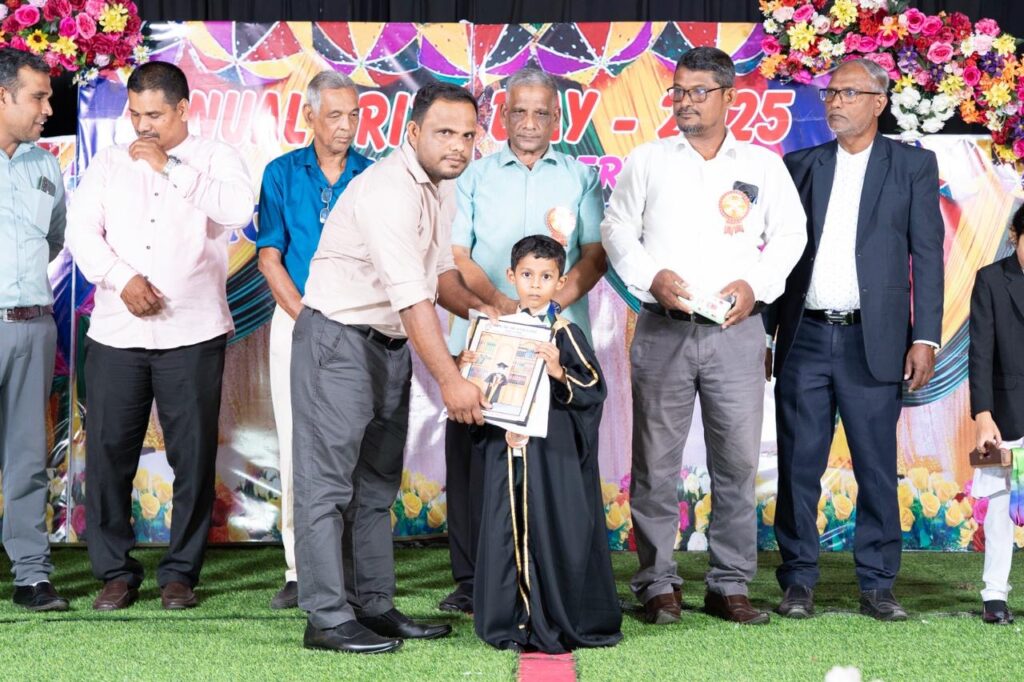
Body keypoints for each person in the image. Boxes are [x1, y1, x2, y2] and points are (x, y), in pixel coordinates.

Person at [601, 46, 806, 625]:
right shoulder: (647, 160)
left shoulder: (762, 165)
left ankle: (729, 583)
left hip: (736, 333)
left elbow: (791, 235)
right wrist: (651, 277)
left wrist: (756, 286)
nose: (685, 102)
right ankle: (657, 583)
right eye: (678, 91)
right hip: (663, 328)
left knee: (737, 463)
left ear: (729, 97)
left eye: (698, 92)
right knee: (655, 463)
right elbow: (616, 228)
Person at [293, 80, 499, 654]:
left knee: (376, 487)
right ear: (413, 132)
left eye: (468, 135)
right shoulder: (389, 189)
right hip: (338, 343)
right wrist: (450, 379)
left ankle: (373, 606)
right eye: (444, 132)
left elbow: (439, 277)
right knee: (327, 489)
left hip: (388, 347)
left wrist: (492, 314)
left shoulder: (442, 186)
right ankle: (326, 618)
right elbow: (411, 297)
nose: (458, 145)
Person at [66, 61, 254, 611]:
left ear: (183, 109)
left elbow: (238, 209)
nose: (142, 126)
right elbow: (81, 231)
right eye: (134, 114)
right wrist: (121, 278)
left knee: (191, 458)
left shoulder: (215, 158)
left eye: (154, 115)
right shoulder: (107, 163)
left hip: (192, 332)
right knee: (108, 455)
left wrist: (170, 167)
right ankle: (114, 572)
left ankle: (180, 573)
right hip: (117, 332)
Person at [766, 58, 944, 621]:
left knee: (874, 466)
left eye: (848, 93)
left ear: (878, 102)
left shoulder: (912, 165)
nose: (835, 102)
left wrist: (926, 337)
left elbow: (928, 255)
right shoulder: (800, 165)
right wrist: (768, 333)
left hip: (876, 339)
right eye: (830, 92)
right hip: (805, 337)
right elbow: (778, 253)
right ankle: (798, 579)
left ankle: (877, 583)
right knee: (799, 465)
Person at [440, 66, 606, 615]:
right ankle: (473, 580)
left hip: (552, 345)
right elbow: (458, 254)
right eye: (518, 111)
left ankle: (555, 572)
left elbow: (593, 254)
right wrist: (503, 305)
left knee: (555, 458)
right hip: (486, 336)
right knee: (475, 459)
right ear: (502, 116)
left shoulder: (581, 177)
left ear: (558, 117)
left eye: (541, 112)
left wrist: (548, 307)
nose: (529, 121)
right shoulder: (474, 177)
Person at [470, 234, 622, 653]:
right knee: (508, 527)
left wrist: (558, 372)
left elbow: (593, 388)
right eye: (527, 275)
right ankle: (510, 620)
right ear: (511, 276)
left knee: (548, 529)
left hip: (548, 457)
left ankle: (551, 616)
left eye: (545, 276)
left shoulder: (564, 333)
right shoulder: (497, 330)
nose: (535, 284)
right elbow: (483, 389)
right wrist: (470, 371)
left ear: (560, 281)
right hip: (508, 451)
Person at [256, 70, 371, 610]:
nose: (346, 126)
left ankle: (356, 568)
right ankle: (300, 569)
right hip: (298, 320)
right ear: (309, 116)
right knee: (298, 443)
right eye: (335, 115)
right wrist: (306, 319)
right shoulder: (281, 173)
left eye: (354, 115)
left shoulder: (374, 176)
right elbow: (269, 256)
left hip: (362, 324)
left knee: (361, 449)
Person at [0, 48, 68, 612]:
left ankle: (31, 575)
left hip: (33, 326)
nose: (48, 108)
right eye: (38, 97)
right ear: (3, 97)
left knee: (28, 456)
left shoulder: (46, 166)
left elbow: (55, 240)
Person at [968, 203, 1024, 626]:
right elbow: (981, 352)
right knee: (1001, 505)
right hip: (1007, 413)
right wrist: (983, 414)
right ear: (1014, 238)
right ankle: (994, 595)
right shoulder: (991, 279)